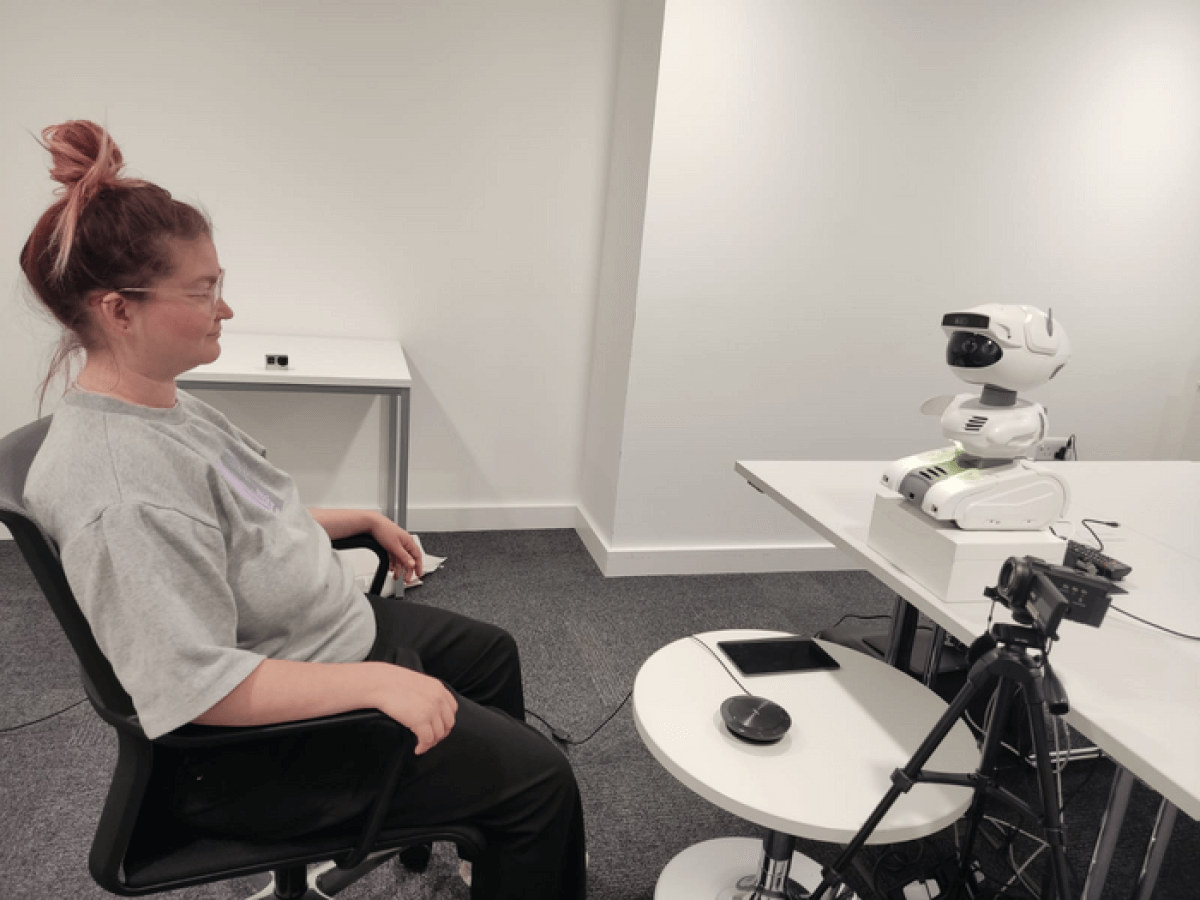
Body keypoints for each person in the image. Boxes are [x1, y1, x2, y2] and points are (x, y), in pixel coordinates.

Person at [20, 120, 586, 900]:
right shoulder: (117, 489)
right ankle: (511, 823)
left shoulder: (162, 407)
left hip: (320, 633)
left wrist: (345, 518)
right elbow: (197, 688)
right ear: (120, 311)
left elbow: (237, 510)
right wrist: (376, 687)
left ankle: (483, 841)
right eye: (203, 290)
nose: (225, 307)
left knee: (491, 655)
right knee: (542, 783)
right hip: (258, 755)